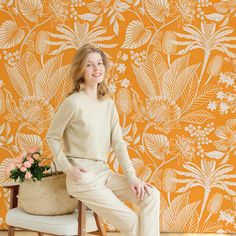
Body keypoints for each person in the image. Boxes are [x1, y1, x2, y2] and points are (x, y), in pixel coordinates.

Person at [46, 43, 160, 236]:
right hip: (84, 178)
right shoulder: (73, 103)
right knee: (131, 221)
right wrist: (68, 168)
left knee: (151, 195)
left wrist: (132, 176)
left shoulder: (107, 103)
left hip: (104, 174)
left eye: (99, 63)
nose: (96, 68)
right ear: (80, 70)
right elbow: (52, 136)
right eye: (89, 64)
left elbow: (118, 143)